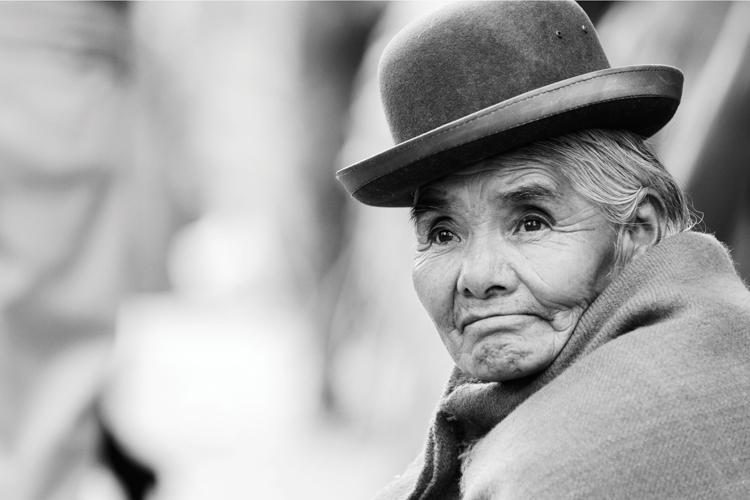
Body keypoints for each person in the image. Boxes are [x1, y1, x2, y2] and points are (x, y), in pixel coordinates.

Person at [335, 2, 750, 499]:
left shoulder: (547, 473)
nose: (478, 276)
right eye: (443, 233)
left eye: (532, 223)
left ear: (639, 231)